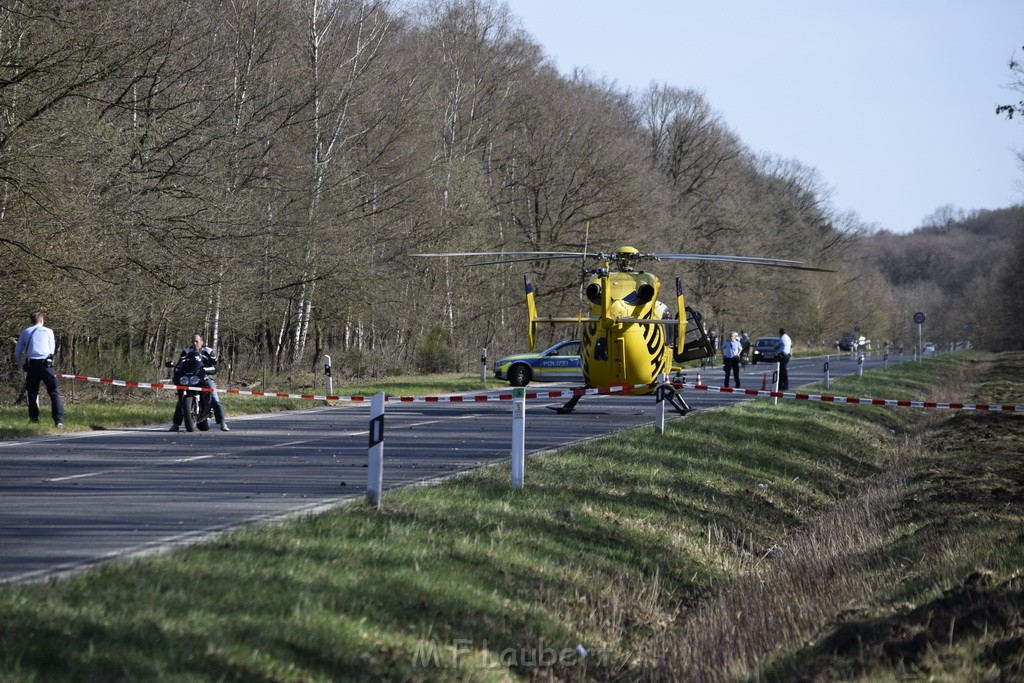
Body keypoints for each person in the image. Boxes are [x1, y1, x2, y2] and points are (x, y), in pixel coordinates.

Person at [13, 312, 65, 427]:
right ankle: (59, 421)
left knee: (32, 393)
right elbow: (51, 350)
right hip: (46, 364)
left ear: (32, 321)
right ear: (42, 320)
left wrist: (23, 364)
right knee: (53, 392)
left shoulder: (25, 332)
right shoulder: (48, 331)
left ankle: (34, 420)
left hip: (32, 364)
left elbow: (17, 352)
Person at [170, 334, 229, 431]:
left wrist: (206, 369)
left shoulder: (208, 351)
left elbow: (215, 366)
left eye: (196, 341)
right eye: (193, 341)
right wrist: (176, 370)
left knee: (214, 398)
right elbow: (179, 365)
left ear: (201, 342)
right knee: (181, 401)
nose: (194, 343)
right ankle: (176, 424)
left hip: (206, 377)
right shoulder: (186, 351)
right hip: (190, 378)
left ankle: (222, 423)